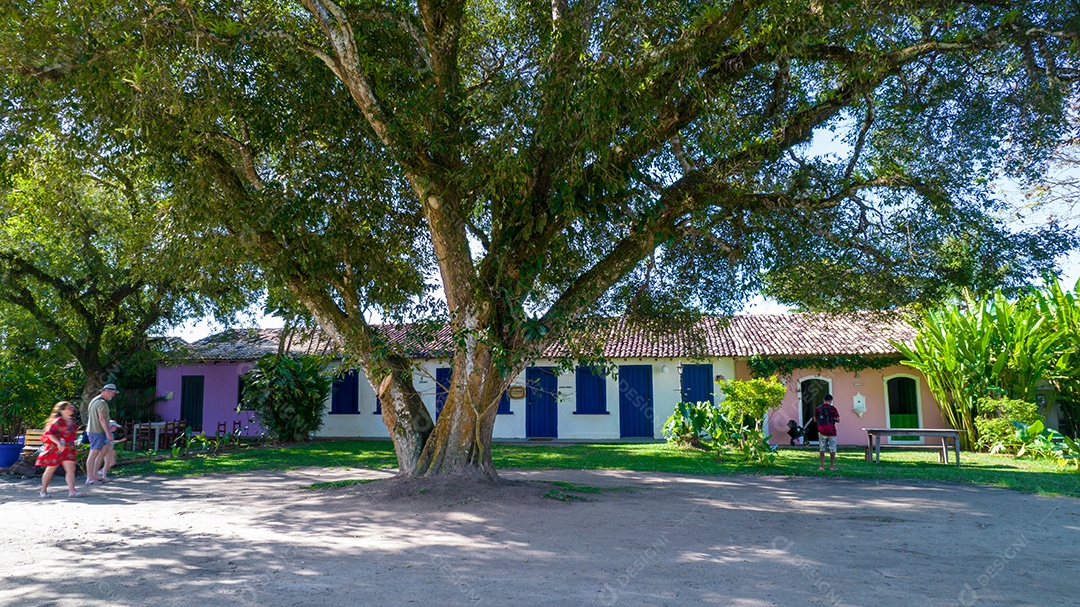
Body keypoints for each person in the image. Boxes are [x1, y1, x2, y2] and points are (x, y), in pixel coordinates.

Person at [36, 401, 84, 498]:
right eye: (69, 408)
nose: (72, 409)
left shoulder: (71, 420)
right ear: (62, 410)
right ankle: (43, 491)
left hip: (68, 449)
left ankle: (72, 491)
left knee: (71, 469)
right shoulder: (58, 421)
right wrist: (58, 443)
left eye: (72, 408)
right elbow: (48, 433)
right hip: (56, 449)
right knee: (50, 469)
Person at [85, 383, 119, 484]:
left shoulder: (95, 400)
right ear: (107, 392)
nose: (112, 396)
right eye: (112, 393)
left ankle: (95, 475)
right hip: (97, 431)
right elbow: (102, 419)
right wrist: (108, 434)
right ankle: (90, 478)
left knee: (101, 452)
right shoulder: (101, 403)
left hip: (95, 431)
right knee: (94, 453)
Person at [816, 394, 840, 471]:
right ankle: (832, 466)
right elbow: (838, 420)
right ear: (831, 400)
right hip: (831, 432)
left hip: (821, 431)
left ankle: (822, 466)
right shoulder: (833, 409)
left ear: (823, 399)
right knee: (832, 449)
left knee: (822, 448)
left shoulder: (818, 408)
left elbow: (814, 419)